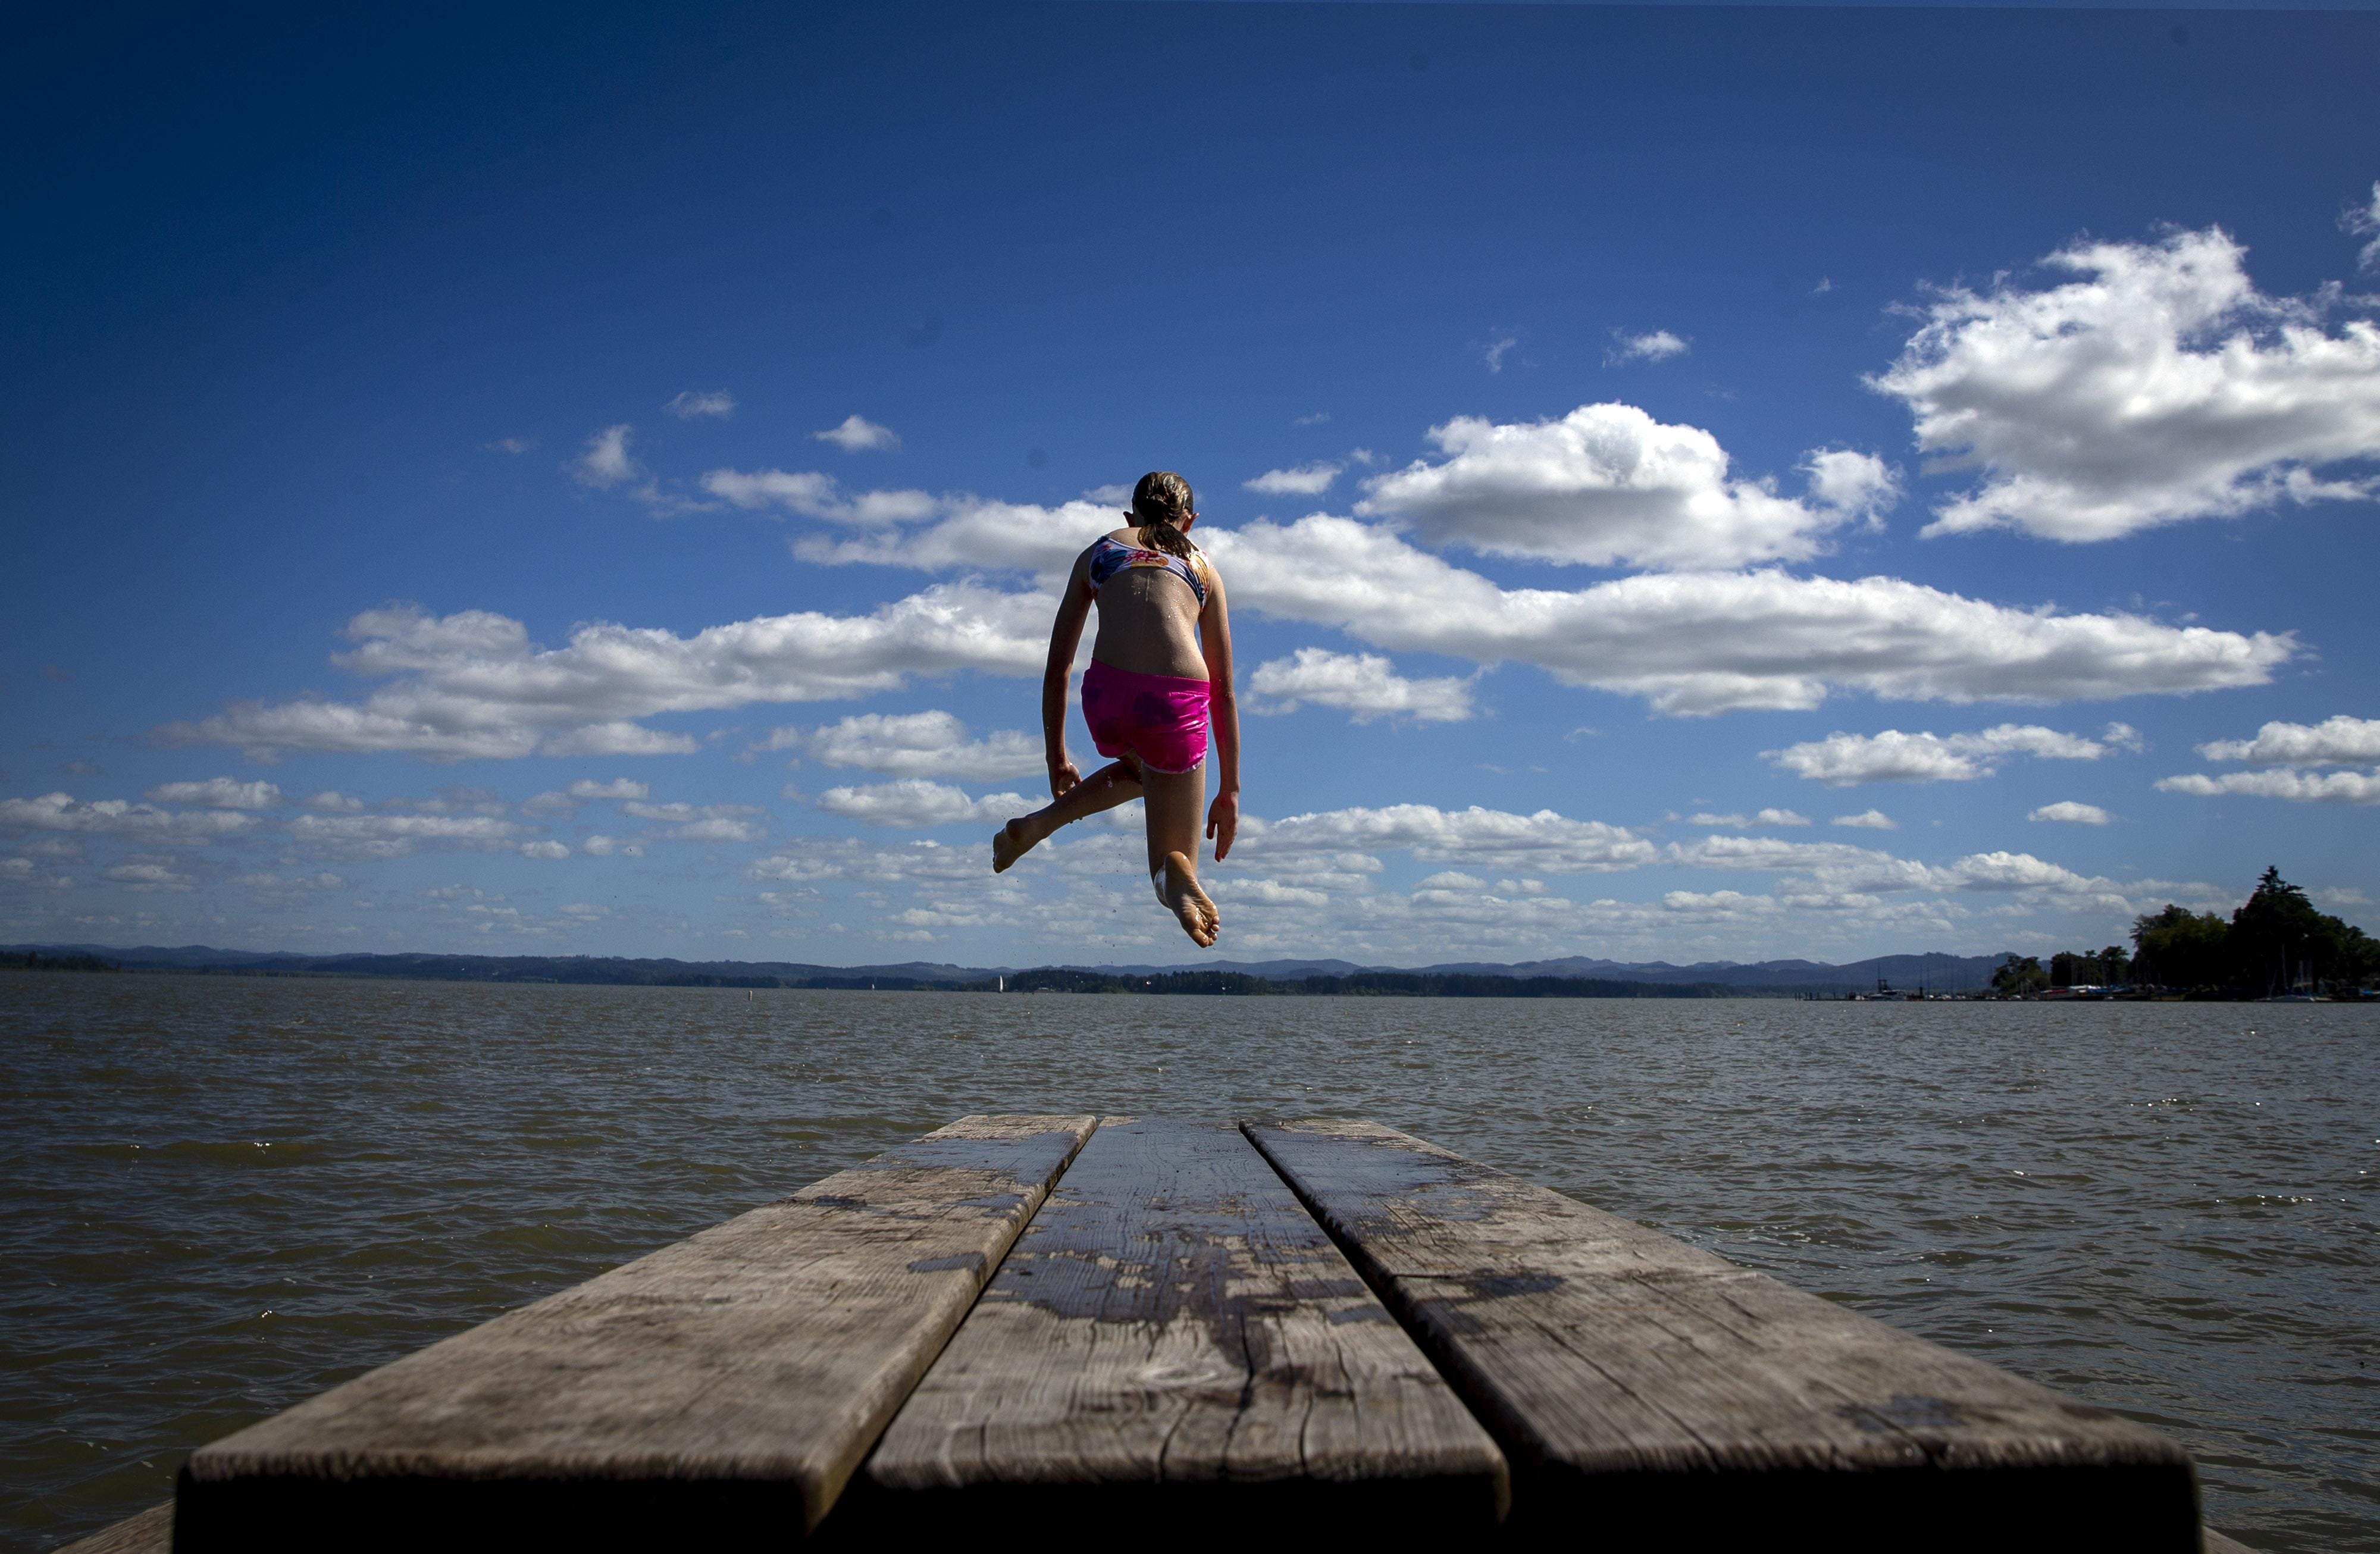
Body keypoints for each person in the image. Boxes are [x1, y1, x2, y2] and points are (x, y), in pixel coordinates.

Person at [991, 471, 1239, 947]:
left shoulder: (1098, 553)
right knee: (1165, 866)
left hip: (1107, 697)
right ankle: (1176, 873)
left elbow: (1057, 667)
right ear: (1190, 522)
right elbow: (1224, 691)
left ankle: (1042, 822)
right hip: (1176, 701)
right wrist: (1229, 790)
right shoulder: (1203, 566)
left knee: (1140, 769)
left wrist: (1057, 757)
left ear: (1130, 516)